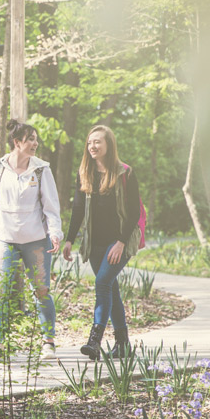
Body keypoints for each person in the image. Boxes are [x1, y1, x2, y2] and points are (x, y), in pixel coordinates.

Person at [0, 119, 63, 363]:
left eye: (35, 139)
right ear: (17, 142)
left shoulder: (42, 169)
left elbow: (51, 206)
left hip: (36, 241)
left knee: (41, 291)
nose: (35, 143)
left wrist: (55, 232)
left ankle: (48, 343)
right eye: (30, 139)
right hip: (5, 239)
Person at [62, 124, 142, 360]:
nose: (92, 146)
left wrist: (120, 242)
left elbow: (134, 211)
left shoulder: (124, 173)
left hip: (119, 241)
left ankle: (94, 340)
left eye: (97, 142)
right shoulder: (85, 172)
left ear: (109, 145)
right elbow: (77, 209)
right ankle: (123, 344)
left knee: (102, 282)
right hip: (94, 243)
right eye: (89, 142)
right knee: (110, 289)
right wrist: (69, 239)